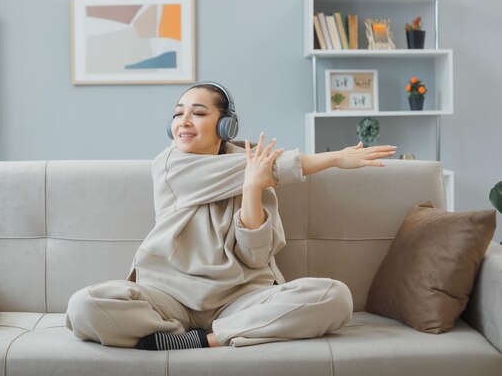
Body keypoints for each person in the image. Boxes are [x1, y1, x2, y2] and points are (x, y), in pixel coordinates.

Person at [65, 81, 397, 350]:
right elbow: (275, 167)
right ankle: (192, 332)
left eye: (197, 113)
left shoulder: (255, 170)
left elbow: (255, 257)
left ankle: (204, 340)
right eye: (178, 113)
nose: (183, 121)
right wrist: (334, 158)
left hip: (241, 298)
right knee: (85, 305)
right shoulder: (170, 165)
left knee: (334, 297)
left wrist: (253, 189)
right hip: (169, 297)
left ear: (225, 125)